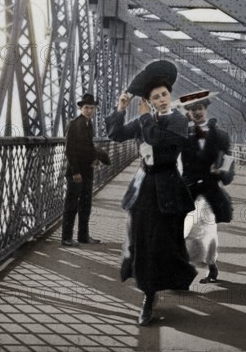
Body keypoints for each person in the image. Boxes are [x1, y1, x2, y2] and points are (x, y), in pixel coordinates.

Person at [105, 60, 197, 326]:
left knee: (164, 243)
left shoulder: (179, 121)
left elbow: (158, 141)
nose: (161, 99)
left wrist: (145, 116)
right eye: (155, 97)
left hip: (168, 186)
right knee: (140, 241)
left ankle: (158, 289)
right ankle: (149, 293)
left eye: (164, 95)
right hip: (143, 186)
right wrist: (121, 109)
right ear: (149, 100)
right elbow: (116, 134)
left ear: (170, 96)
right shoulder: (146, 119)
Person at [179, 90, 234, 284]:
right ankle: (191, 266)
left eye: (200, 108)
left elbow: (228, 158)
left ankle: (210, 266)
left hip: (210, 188)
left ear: (205, 109)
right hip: (189, 188)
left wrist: (222, 172)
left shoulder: (220, 135)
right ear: (189, 112)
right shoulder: (182, 134)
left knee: (208, 228)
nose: (197, 112)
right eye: (193, 109)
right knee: (185, 229)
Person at [61, 93, 108, 247]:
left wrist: (94, 158)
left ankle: (83, 236)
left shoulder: (89, 124)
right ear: (81, 108)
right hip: (77, 173)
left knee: (86, 204)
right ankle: (66, 238)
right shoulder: (74, 124)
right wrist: (75, 172)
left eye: (92, 108)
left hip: (87, 171)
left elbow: (87, 147)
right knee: (71, 205)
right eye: (86, 108)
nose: (89, 110)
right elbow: (70, 150)